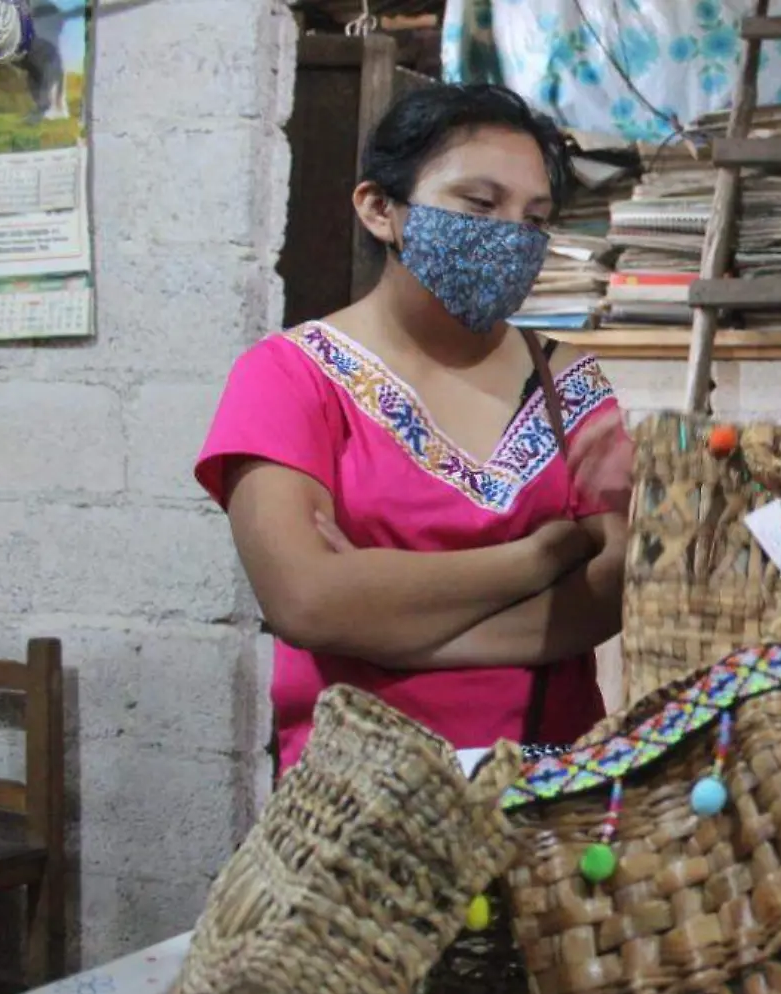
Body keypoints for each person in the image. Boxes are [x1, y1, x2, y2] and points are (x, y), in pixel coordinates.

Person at [195, 84, 634, 775]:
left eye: (536, 217)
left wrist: (382, 620)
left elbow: (607, 595)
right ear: (380, 209)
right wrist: (539, 559)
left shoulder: (569, 386)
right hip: (360, 796)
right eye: (480, 205)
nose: (511, 234)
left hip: (552, 790)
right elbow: (306, 601)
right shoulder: (288, 377)